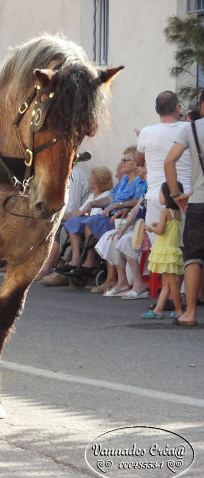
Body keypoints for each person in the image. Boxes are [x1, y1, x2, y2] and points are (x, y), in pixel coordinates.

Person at [57, 146, 146, 277]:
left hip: (121, 218)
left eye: (127, 160)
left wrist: (118, 205)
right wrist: (92, 203)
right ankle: (75, 259)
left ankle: (90, 260)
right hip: (109, 214)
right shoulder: (124, 180)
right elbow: (110, 198)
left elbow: (139, 201)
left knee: (92, 221)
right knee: (74, 221)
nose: (123, 163)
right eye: (123, 159)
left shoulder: (140, 181)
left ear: (136, 164)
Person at [164, 89, 204, 327]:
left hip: (198, 202)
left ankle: (189, 312)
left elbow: (169, 162)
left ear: (201, 105)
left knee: (193, 258)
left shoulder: (190, 129)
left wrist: (177, 194)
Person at [136, 91, 191, 245]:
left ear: (157, 110)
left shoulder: (146, 132)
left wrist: (142, 167)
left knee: (161, 252)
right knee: (187, 253)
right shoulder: (189, 128)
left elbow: (139, 159)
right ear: (177, 108)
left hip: (157, 197)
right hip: (186, 196)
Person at [94, 162, 148, 298]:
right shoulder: (147, 187)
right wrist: (122, 228)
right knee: (112, 236)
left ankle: (138, 284)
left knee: (124, 240)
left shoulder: (152, 186)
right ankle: (122, 281)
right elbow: (137, 208)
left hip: (150, 229)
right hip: (138, 226)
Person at [39, 164, 91, 286]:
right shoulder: (57, 173)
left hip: (74, 216)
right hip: (67, 215)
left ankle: (51, 266)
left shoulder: (74, 175)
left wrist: (59, 216)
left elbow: (72, 205)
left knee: (61, 228)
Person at [141, 182, 185, 318]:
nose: (159, 195)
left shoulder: (165, 211)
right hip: (172, 250)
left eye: (161, 192)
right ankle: (158, 310)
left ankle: (179, 311)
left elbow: (160, 231)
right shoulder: (178, 212)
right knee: (167, 282)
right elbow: (168, 228)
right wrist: (158, 225)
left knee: (172, 282)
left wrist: (151, 228)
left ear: (167, 196)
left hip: (165, 251)